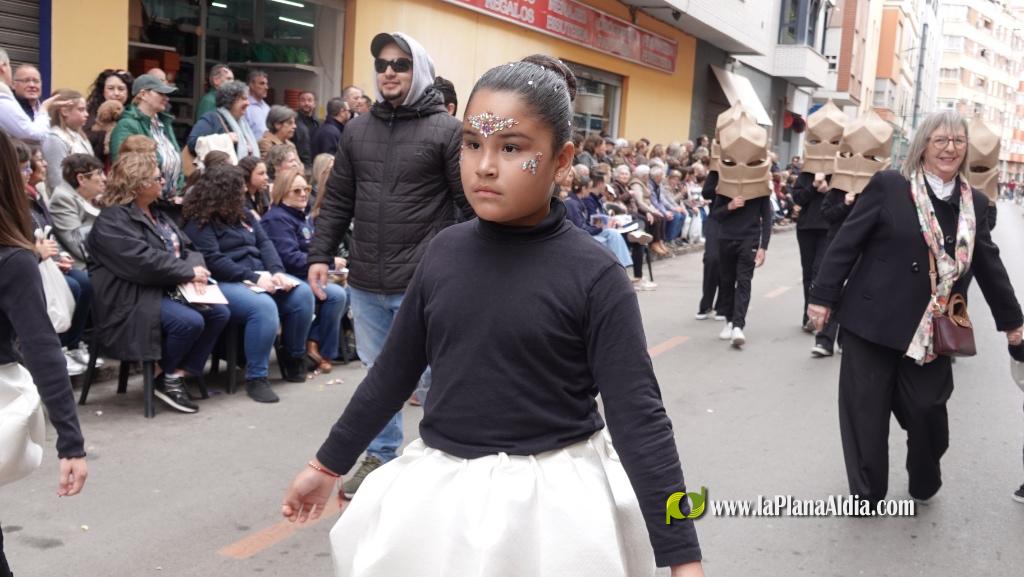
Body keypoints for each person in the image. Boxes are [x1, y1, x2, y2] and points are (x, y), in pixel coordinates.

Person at [281, 54, 704, 577]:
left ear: (562, 159)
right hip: (441, 504)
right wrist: (327, 464)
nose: (484, 166)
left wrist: (682, 555)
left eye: (511, 148)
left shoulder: (596, 275)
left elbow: (640, 420)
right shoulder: (443, 253)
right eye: (472, 144)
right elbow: (391, 375)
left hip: (555, 511)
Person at [808, 110, 1024, 506]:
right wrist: (822, 297)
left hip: (934, 330)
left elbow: (989, 265)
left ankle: (924, 477)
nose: (949, 148)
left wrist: (1013, 323)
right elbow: (846, 242)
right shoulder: (890, 186)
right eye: (940, 140)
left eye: (958, 141)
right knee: (865, 414)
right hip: (872, 322)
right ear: (923, 145)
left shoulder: (974, 204)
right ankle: (867, 494)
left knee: (928, 411)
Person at [306, 31, 473, 497]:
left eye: (400, 64)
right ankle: (380, 456)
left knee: (437, 375)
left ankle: (445, 459)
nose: (389, 72)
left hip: (424, 282)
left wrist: (462, 268)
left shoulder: (447, 131)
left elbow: (467, 206)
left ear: (419, 71)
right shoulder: (357, 130)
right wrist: (320, 254)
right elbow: (337, 200)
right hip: (366, 280)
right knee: (378, 377)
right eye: (382, 64)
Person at [0, 127, 88, 577]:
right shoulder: (14, 259)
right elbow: (42, 348)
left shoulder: (14, 260)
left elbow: (43, 348)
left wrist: (71, 443)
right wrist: (71, 444)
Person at [86, 152, 229, 414]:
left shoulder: (157, 213)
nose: (163, 181)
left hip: (162, 287)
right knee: (189, 322)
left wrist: (197, 271)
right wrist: (187, 272)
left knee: (219, 313)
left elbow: (187, 246)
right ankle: (167, 378)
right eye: (156, 177)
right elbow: (141, 262)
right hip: (129, 298)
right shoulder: (111, 221)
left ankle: (174, 374)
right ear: (137, 185)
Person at [183, 165, 315, 403]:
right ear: (223, 192)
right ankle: (257, 377)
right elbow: (213, 260)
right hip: (225, 280)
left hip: (258, 273)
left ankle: (294, 356)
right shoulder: (200, 221)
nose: (244, 192)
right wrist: (254, 278)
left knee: (302, 294)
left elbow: (265, 244)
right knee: (263, 307)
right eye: (238, 189)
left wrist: (277, 272)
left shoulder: (244, 214)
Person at [15, 140, 93, 375]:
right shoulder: (19, 199)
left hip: (44, 261)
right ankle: (57, 348)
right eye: (25, 167)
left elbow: (47, 233)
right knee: (74, 286)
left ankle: (72, 344)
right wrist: (39, 255)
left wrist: (58, 257)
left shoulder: (34, 195)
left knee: (84, 282)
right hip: (29, 265)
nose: (34, 169)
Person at [262, 167, 348, 373]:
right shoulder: (277, 219)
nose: (303, 194)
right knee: (336, 295)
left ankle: (315, 344)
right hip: (289, 276)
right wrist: (327, 263)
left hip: (306, 274)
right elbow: (289, 258)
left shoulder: (302, 216)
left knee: (349, 291)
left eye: (306, 189)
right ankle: (322, 352)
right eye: (296, 190)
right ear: (283, 192)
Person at [109, 74, 182, 200]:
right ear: (143, 94)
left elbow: (177, 163)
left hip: (169, 201)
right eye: (161, 93)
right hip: (142, 202)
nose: (166, 98)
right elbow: (124, 170)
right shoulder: (127, 125)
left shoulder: (164, 123)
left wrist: (178, 192)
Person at [563, 170, 632, 268]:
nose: (590, 190)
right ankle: (615, 268)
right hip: (578, 238)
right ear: (583, 189)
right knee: (605, 241)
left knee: (613, 233)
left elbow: (585, 225)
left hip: (586, 233)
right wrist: (599, 228)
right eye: (589, 187)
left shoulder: (578, 202)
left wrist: (601, 226)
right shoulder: (571, 204)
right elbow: (580, 228)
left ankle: (622, 265)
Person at [47, 153, 105, 270]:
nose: (104, 178)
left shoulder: (91, 196)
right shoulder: (63, 199)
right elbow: (80, 246)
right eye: (99, 173)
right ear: (81, 179)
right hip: (86, 267)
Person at [0, 49, 67, 144]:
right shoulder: (5, 101)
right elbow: (32, 135)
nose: (32, 85)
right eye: (26, 80)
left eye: (36, 81)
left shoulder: (50, 109)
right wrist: (44, 108)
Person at [186, 80, 260, 159]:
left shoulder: (243, 124)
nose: (248, 103)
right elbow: (192, 143)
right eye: (243, 99)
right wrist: (225, 139)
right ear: (230, 100)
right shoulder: (212, 118)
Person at [42, 90, 94, 191]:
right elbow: (56, 180)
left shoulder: (81, 136)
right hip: (68, 198)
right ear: (64, 111)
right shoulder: (55, 139)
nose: (87, 114)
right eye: (81, 110)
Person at [84, 69, 133, 162]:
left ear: (128, 92)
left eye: (121, 89)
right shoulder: (90, 113)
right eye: (110, 88)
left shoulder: (133, 114)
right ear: (103, 91)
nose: (116, 93)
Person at [238, 155, 271, 220]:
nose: (266, 177)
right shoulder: (240, 198)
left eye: (266, 173)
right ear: (247, 175)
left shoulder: (263, 191)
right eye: (261, 173)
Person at [293, 91, 319, 168]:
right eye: (303, 100)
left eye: (309, 100)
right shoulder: (292, 122)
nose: (306, 103)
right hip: (298, 165)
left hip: (314, 164)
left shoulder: (317, 123)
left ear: (314, 104)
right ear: (298, 103)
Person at [244, 70, 270, 140]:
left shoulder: (266, 107)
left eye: (266, 84)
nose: (266, 87)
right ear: (251, 85)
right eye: (262, 84)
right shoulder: (244, 107)